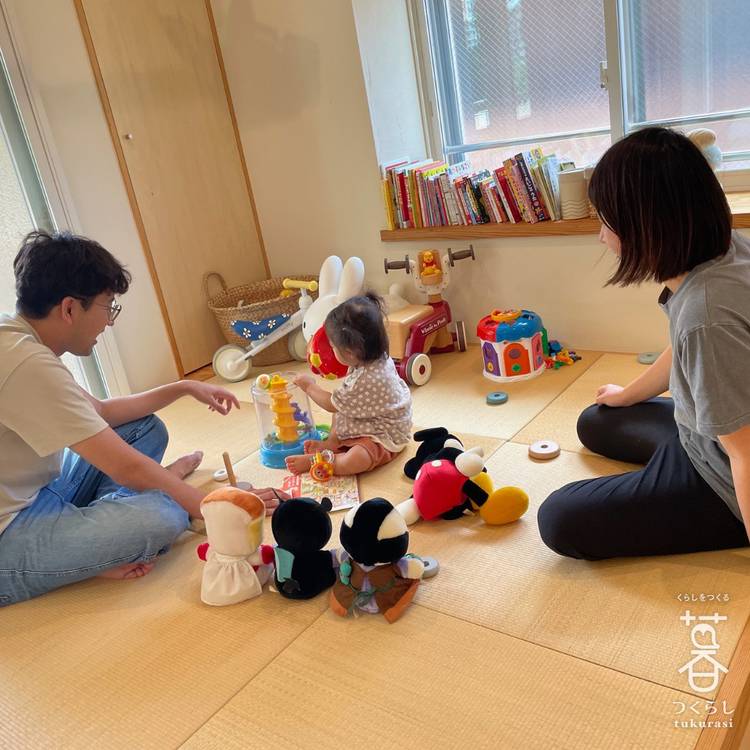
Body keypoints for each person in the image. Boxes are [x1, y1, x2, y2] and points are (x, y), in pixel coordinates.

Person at [0, 230, 257, 606]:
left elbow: (103, 413)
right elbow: (125, 468)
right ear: (70, 309)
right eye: (108, 307)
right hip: (9, 534)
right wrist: (215, 506)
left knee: (144, 428)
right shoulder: (25, 363)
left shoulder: (19, 338)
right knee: (162, 517)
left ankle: (94, 541)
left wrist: (183, 387)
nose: (109, 322)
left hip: (36, 491)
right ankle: (96, 544)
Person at [538, 127, 750, 560]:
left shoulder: (706, 316)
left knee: (558, 517)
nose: (601, 236)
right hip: (700, 434)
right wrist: (628, 395)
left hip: (723, 477)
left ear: (645, 225)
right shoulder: (725, 249)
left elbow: (746, 453)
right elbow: (688, 353)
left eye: (607, 222)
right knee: (596, 419)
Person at [285, 293, 412, 476]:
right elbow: (340, 403)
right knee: (341, 406)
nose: (332, 350)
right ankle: (332, 443)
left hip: (384, 435)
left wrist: (309, 387)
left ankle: (321, 460)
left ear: (350, 352)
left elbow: (330, 404)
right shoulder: (376, 356)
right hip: (369, 418)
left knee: (355, 459)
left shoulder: (367, 379)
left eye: (333, 347)